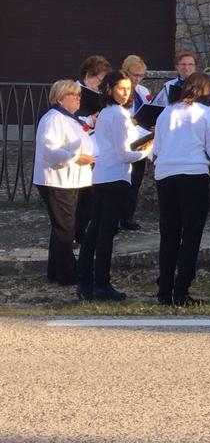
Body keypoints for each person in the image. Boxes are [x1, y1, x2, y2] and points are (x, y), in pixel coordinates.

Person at [77, 71, 151, 301]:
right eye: (121, 88)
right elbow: (124, 154)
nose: (126, 92)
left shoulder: (108, 113)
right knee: (105, 233)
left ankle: (85, 283)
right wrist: (147, 148)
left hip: (101, 176)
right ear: (109, 89)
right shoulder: (118, 114)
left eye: (128, 88)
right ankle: (102, 284)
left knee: (94, 231)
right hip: (115, 178)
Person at [153, 72, 210, 306]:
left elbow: (158, 148)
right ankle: (181, 290)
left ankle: (164, 289)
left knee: (169, 233)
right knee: (191, 234)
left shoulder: (166, 112)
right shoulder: (207, 113)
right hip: (193, 174)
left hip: (165, 174)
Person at [33, 80, 96, 286]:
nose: (78, 99)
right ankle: (68, 274)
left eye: (79, 95)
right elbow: (49, 149)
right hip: (58, 179)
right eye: (73, 95)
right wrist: (76, 157)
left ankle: (56, 271)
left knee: (65, 226)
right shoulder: (53, 119)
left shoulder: (72, 119)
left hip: (73, 179)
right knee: (65, 228)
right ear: (60, 98)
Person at [75, 55, 111, 242]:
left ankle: (88, 229)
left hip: (97, 148)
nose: (101, 85)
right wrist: (90, 120)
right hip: (79, 150)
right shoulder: (73, 92)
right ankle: (78, 232)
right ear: (89, 76)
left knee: (94, 193)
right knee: (83, 195)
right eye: (100, 80)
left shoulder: (99, 94)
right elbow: (68, 122)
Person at [119, 54, 152, 231]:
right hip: (123, 142)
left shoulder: (143, 92)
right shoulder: (118, 90)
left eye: (141, 75)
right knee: (120, 181)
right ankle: (115, 217)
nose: (137, 79)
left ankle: (127, 217)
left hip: (140, 141)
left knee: (135, 182)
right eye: (134, 75)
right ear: (126, 72)